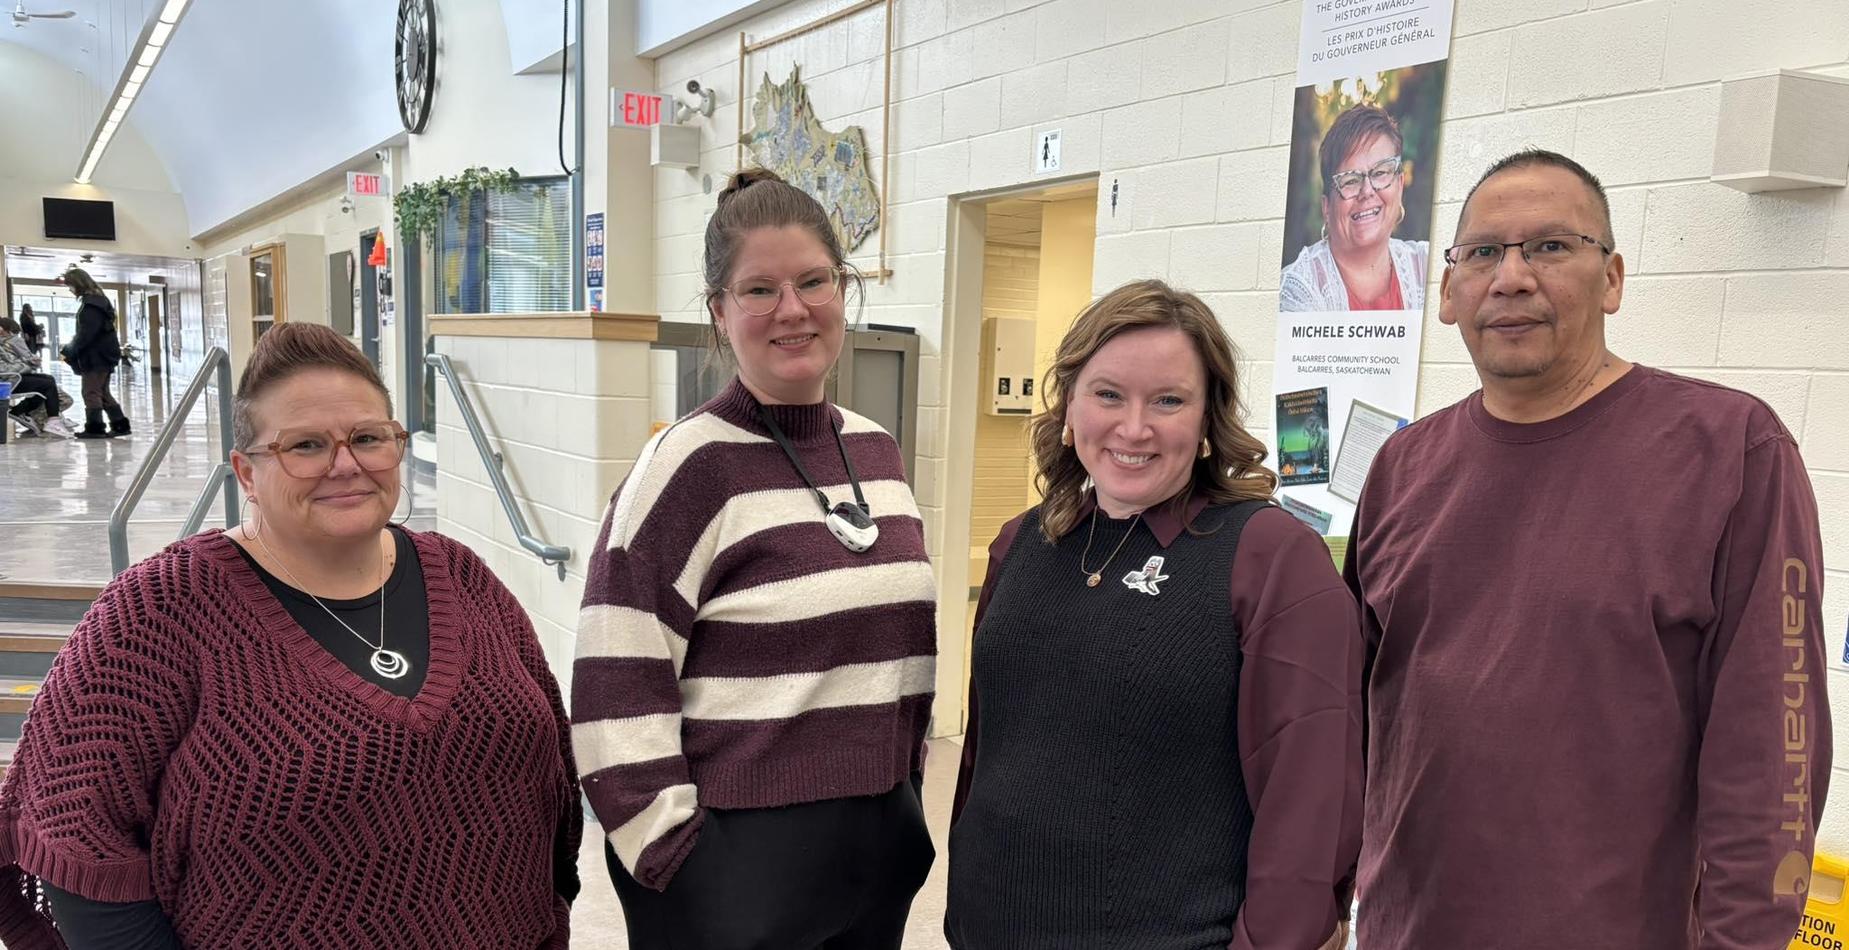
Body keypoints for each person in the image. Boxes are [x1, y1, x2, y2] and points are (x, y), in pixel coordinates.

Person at [1345, 150, 1830, 949]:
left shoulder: (1728, 450)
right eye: (1482, 253)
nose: (1510, 278)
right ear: (1446, 292)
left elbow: (1774, 748)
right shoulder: (1403, 466)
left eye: (1549, 247)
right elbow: (1351, 726)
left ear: (1610, 279)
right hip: (1407, 929)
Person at [0, 323, 582, 948]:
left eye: (367, 438)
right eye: (305, 445)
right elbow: (77, 839)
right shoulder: (159, 609)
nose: (346, 465)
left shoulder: (463, 577)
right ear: (246, 473)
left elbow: (551, 784)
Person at [573, 168, 936, 949]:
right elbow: (613, 682)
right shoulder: (685, 467)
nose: (793, 310)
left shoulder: (876, 451)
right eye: (759, 289)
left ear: (844, 288)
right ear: (719, 310)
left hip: (874, 852)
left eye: (813, 281)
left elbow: (898, 650)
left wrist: (904, 801)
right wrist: (674, 858)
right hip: (733, 869)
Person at [947, 279, 1363, 950]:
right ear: (1069, 404)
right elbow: (987, 754)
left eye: (1167, 401)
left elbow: (1312, 805)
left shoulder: (1270, 559)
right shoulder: (1021, 543)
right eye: (1107, 394)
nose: (1132, 427)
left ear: (1206, 421)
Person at [1280, 105, 1429, 312]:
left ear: (1400, 185)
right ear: (1327, 207)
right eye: (1350, 180)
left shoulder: (1426, 266)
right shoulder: (1299, 289)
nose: (1367, 191)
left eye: (1380, 173)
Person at [56, 268, 130, 439]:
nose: (70, 289)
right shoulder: (98, 301)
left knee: (90, 391)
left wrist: (69, 351)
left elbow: (87, 333)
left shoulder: (91, 305)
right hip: (104, 354)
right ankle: (119, 425)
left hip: (96, 356)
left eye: (70, 286)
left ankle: (95, 428)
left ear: (78, 284)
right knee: (102, 391)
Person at [0, 316, 61, 436]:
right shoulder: (11, 342)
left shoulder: (5, 344)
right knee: (46, 384)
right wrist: (26, 364)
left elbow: (11, 362)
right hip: (8, 380)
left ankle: (23, 411)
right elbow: (5, 369)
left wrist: (25, 363)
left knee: (49, 379)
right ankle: (52, 420)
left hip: (12, 377)